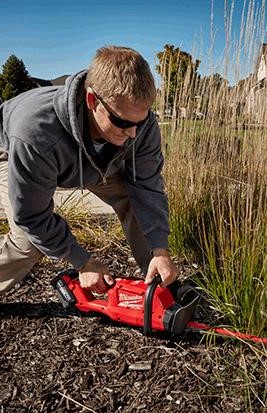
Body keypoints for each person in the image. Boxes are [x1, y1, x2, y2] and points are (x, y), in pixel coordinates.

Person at [0, 45, 177, 295]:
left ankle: (156, 281)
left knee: (134, 198)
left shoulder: (138, 125)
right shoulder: (35, 132)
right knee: (28, 243)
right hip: (11, 155)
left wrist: (160, 249)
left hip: (91, 161)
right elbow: (31, 216)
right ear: (92, 100)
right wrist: (83, 262)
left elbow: (147, 187)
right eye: (122, 122)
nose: (133, 133)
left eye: (140, 122)